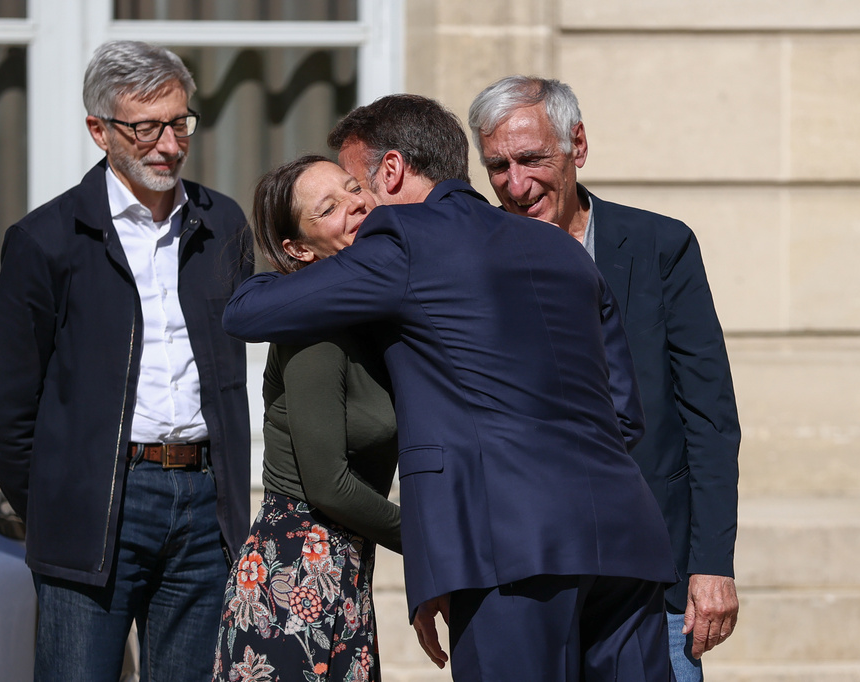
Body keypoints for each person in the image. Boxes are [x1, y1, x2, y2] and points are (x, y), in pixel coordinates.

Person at [223, 94, 678, 681]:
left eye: (356, 185)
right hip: (623, 538)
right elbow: (625, 412)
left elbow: (245, 313)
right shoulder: (561, 249)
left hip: (505, 550)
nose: (360, 204)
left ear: (390, 170)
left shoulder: (404, 242)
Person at [0, 40, 252, 681]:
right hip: (96, 508)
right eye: (145, 127)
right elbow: (6, 411)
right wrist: (59, 502)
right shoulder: (44, 241)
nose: (168, 144)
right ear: (99, 130)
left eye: (179, 122)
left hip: (206, 506)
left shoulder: (223, 226)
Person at [468, 75, 741, 681]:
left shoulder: (659, 246)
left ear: (577, 146)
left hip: (652, 583)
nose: (516, 185)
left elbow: (709, 417)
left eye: (532, 159)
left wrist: (712, 564)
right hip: (523, 585)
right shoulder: (470, 260)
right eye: (497, 166)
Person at [213, 155, 401, 681]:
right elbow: (329, 485)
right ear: (298, 249)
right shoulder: (313, 324)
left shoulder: (369, 316)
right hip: (292, 571)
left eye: (353, 188)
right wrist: (431, 538)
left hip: (342, 571)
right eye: (329, 207)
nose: (356, 205)